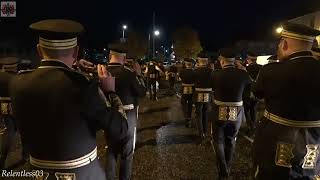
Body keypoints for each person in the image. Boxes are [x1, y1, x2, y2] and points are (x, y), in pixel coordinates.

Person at [9, 19, 128, 180]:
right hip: (81, 173)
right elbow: (120, 129)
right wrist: (110, 92)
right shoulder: (83, 86)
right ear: (76, 51)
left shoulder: (17, 82)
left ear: (39, 50)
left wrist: (74, 67)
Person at [252, 22, 320, 179]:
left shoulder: (271, 70)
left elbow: (257, 93)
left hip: (276, 141)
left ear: (284, 44)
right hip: (314, 142)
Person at [106, 48, 146, 180]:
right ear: (123, 58)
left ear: (110, 55)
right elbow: (142, 92)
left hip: (109, 115)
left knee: (111, 150)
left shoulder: (102, 72)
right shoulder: (129, 74)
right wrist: (139, 75)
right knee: (127, 152)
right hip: (127, 115)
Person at [211, 48, 251, 179]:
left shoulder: (215, 74)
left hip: (218, 110)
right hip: (237, 112)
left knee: (218, 140)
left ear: (222, 61)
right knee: (231, 140)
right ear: (234, 61)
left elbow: (212, 89)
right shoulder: (243, 74)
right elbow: (250, 90)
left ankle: (222, 169)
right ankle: (227, 166)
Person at [0, 57, 28, 169]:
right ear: (15, 66)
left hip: (3, 107)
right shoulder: (16, 78)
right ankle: (25, 156)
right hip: (17, 107)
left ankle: (2, 156)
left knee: (9, 131)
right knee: (23, 131)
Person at [193, 54, 214, 144]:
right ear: (207, 62)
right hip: (208, 93)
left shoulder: (195, 71)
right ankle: (205, 132)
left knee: (198, 113)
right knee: (205, 112)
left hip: (198, 93)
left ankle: (201, 134)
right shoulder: (211, 71)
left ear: (199, 61)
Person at [243, 51, 262, 136]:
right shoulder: (261, 68)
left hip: (247, 93)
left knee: (246, 111)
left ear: (249, 59)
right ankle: (254, 126)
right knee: (254, 110)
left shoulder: (246, 69)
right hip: (257, 92)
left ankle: (250, 126)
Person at [179, 58, 195, 128]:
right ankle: (189, 116)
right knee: (190, 104)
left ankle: (186, 117)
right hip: (192, 89)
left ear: (185, 64)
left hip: (184, 89)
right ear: (192, 65)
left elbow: (179, 79)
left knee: (184, 103)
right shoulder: (194, 72)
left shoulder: (182, 71)